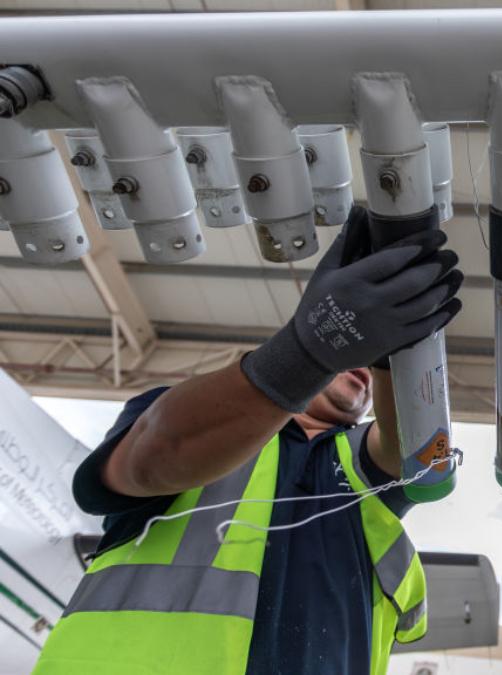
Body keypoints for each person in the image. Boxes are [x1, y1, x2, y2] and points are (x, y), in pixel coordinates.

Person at [33, 206, 464, 675]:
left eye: (367, 364)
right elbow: (152, 458)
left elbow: (416, 450)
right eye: (348, 356)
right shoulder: (192, 418)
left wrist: (399, 356)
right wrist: (307, 349)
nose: (358, 368)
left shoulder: (356, 462)